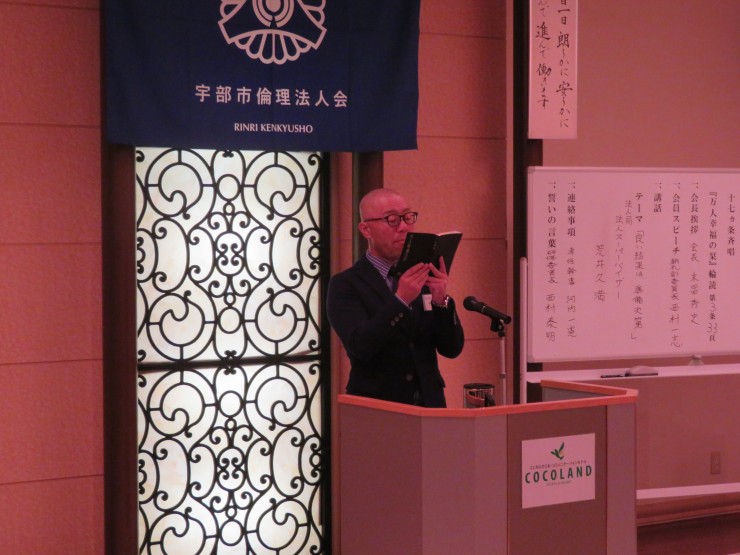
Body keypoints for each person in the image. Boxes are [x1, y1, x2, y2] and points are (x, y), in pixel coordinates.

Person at [326, 188, 464, 407]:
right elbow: (360, 346)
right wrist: (401, 300)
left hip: (430, 405)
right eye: (392, 219)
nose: (403, 227)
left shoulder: (420, 273)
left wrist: (441, 302)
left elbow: (452, 348)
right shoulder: (346, 284)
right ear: (366, 229)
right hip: (378, 407)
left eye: (407, 217)